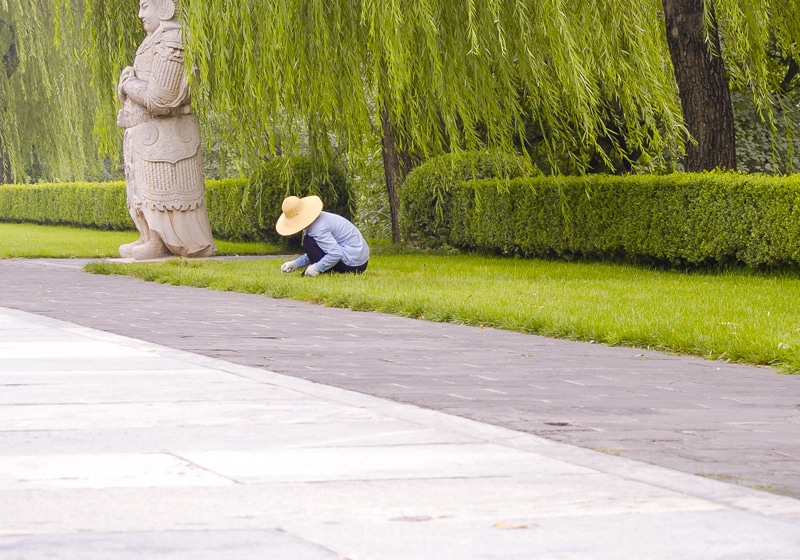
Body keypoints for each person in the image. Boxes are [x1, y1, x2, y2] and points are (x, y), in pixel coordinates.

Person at [116, 0, 216, 260]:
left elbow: (162, 98)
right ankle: (149, 236)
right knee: (144, 188)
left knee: (164, 189)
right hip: (149, 134)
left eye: (144, 6)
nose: (140, 14)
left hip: (167, 134)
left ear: (163, 7)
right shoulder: (153, 41)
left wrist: (129, 85)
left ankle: (166, 240)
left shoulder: (173, 41)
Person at [277, 195, 369, 276]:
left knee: (309, 242)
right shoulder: (318, 221)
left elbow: (336, 254)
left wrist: (317, 268)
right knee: (310, 241)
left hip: (353, 264)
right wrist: (295, 264)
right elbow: (322, 248)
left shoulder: (317, 228)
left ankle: (323, 271)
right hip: (360, 262)